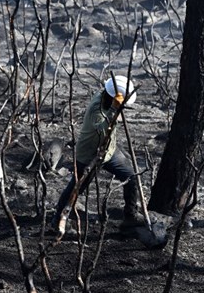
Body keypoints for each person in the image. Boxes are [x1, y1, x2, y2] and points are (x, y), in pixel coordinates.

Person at [52, 76, 143, 235]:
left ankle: (130, 216)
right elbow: (102, 128)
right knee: (76, 187)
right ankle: (58, 220)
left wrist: (117, 107)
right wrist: (115, 110)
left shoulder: (107, 96)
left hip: (108, 150)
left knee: (131, 177)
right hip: (89, 154)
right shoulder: (97, 110)